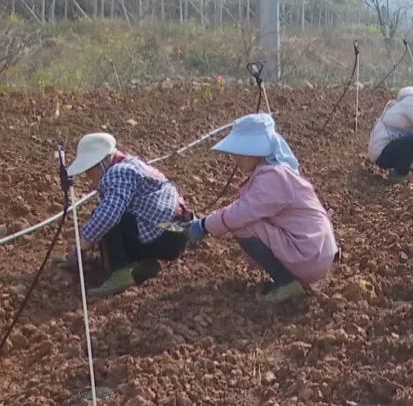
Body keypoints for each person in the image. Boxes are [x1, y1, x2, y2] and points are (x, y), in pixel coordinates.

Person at [184, 114, 338, 303]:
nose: (235, 158)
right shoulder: (275, 172)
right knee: (242, 220)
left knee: (242, 225)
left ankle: (286, 282)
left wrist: (204, 225)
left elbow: (242, 213)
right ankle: (287, 279)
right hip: (313, 251)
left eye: (239, 152)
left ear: (254, 151)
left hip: (309, 254)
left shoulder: (273, 177)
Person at [61, 133, 189, 298]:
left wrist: (81, 246)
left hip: (164, 236)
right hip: (175, 231)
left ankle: (119, 273)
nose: (88, 178)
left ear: (100, 163)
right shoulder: (131, 164)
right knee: (120, 215)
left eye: (89, 171)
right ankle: (142, 264)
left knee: (105, 216)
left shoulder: (118, 173)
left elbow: (108, 214)